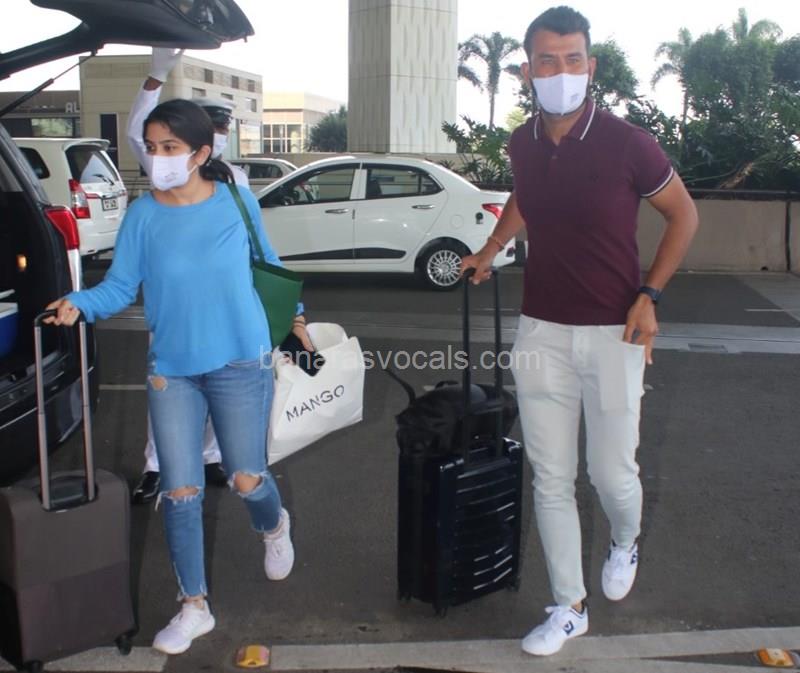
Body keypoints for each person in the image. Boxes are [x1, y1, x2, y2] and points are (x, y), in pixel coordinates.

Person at [461, 6, 699, 658]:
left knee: (611, 475)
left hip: (615, 332)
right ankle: (569, 606)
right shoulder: (522, 142)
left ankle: (625, 538)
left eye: (572, 60)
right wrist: (491, 248)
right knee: (551, 476)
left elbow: (683, 215)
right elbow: (524, 194)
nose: (560, 71)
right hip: (541, 330)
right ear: (527, 71)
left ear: (590, 67)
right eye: (547, 61)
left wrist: (650, 295)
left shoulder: (628, 144)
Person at [46, 98, 309, 655]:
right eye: (151, 147)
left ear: (201, 153)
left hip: (241, 360)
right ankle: (194, 606)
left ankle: (274, 524)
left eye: (170, 147)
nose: (158, 158)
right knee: (180, 490)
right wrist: (78, 302)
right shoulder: (143, 216)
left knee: (246, 478)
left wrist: (298, 321)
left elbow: (269, 262)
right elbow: (120, 287)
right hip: (173, 370)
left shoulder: (236, 201)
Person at [126, 48, 248, 504]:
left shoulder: (236, 177)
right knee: (167, 382)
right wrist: (155, 77)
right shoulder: (166, 169)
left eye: (224, 129)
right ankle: (156, 466)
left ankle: (211, 457)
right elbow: (135, 132)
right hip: (173, 296)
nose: (220, 136)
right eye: (214, 129)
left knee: (221, 378)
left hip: (223, 297)